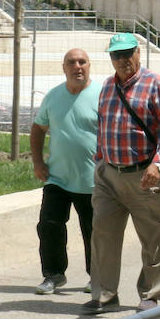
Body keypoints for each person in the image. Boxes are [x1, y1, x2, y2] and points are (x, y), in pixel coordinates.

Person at [84, 33, 160, 316]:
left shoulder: (155, 84)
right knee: (102, 233)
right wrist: (100, 159)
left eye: (127, 54)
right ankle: (104, 294)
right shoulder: (107, 86)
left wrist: (159, 164)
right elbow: (103, 125)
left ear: (138, 53)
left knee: (154, 238)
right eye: (116, 55)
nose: (122, 60)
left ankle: (150, 294)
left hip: (144, 174)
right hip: (108, 175)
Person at [28, 49, 102, 295]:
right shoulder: (53, 96)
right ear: (64, 68)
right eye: (72, 62)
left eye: (82, 62)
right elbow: (38, 128)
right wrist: (38, 163)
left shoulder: (102, 95)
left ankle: (98, 277)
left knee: (94, 231)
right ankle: (53, 275)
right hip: (57, 178)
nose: (77, 66)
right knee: (49, 226)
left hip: (93, 180)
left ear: (89, 66)